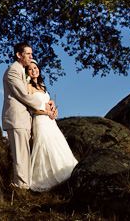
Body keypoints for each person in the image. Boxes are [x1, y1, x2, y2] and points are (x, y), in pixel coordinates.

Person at [1, 43, 56, 189]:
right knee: (20, 156)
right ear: (19, 55)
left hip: (25, 119)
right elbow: (23, 95)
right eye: (28, 54)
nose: (31, 57)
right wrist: (43, 106)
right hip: (17, 118)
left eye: (32, 54)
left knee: (25, 155)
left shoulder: (21, 71)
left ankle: (24, 185)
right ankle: (20, 188)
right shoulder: (13, 71)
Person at [26, 60, 78, 191]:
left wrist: (53, 108)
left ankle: (64, 171)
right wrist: (47, 112)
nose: (34, 70)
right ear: (27, 72)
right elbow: (32, 108)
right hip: (40, 120)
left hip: (50, 121)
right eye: (31, 69)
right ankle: (45, 178)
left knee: (57, 144)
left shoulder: (42, 86)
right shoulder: (28, 87)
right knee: (44, 146)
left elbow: (47, 101)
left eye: (36, 68)